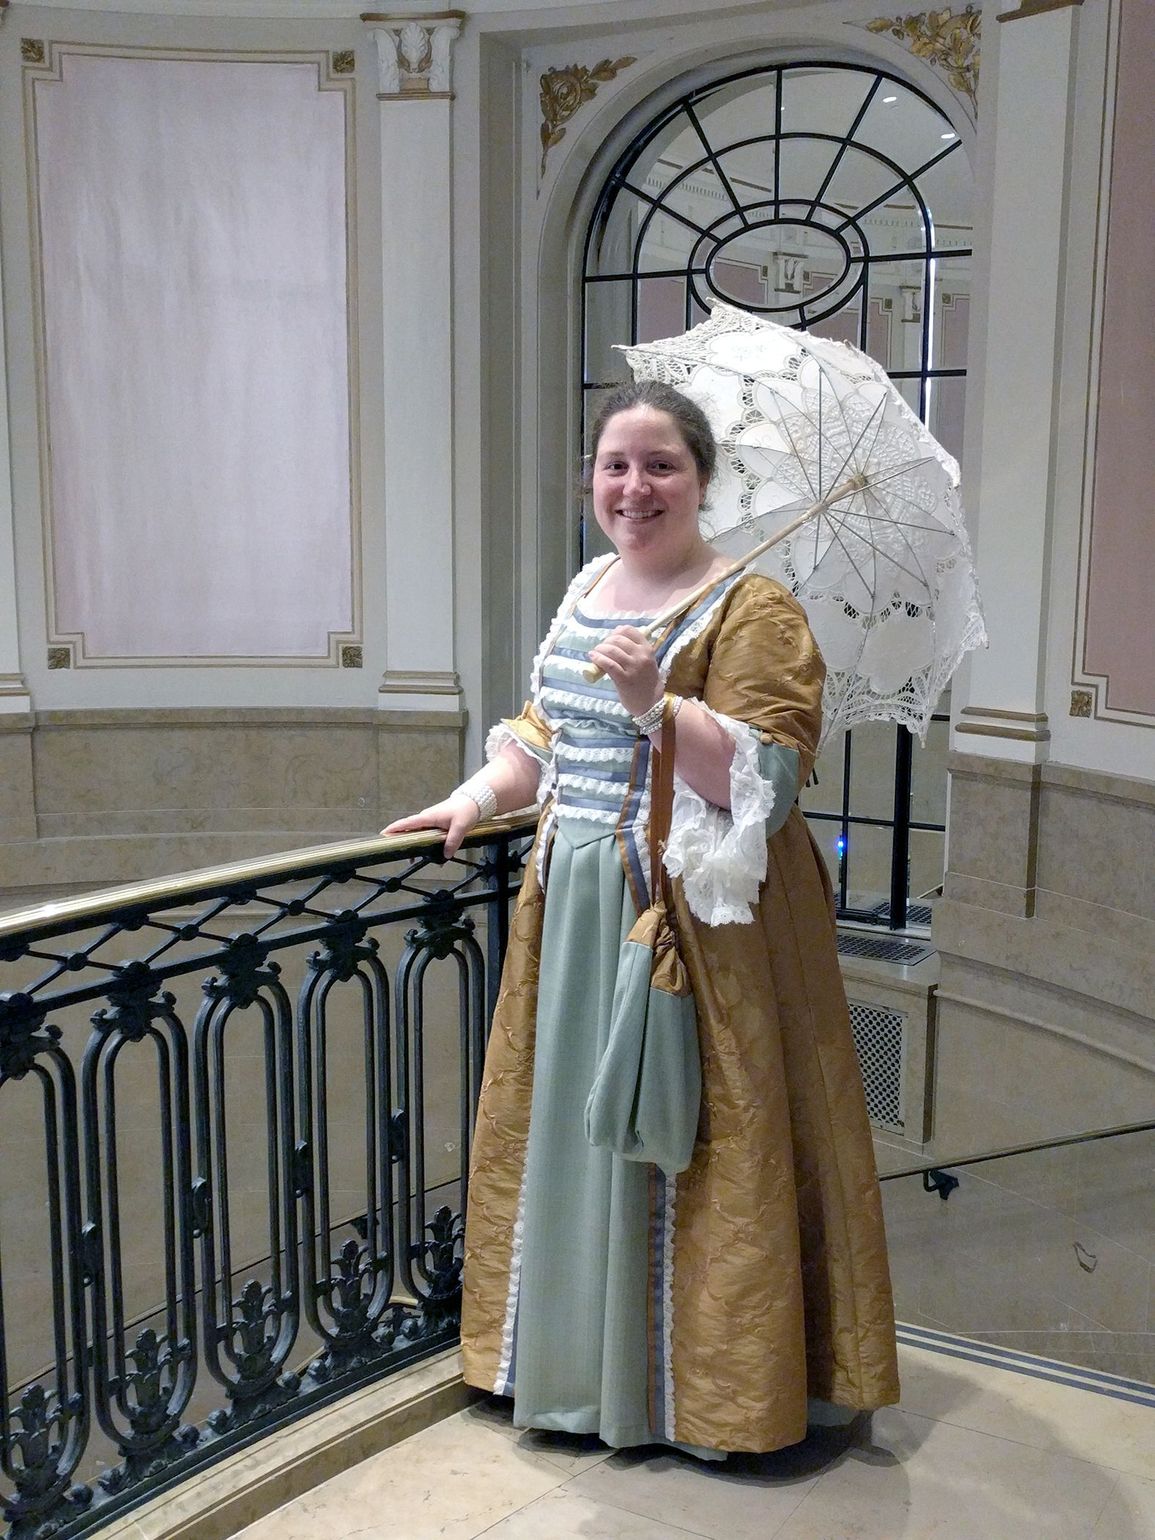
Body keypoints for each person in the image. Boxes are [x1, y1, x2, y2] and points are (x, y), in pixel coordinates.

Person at [385, 380, 899, 1455]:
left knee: (689, 1140)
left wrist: (657, 706)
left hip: (691, 928)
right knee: (574, 1126)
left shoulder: (753, 608)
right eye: (616, 464)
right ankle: (567, 1375)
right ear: (591, 480)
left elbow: (770, 778)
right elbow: (541, 735)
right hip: (567, 907)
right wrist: (474, 799)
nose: (635, 487)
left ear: (701, 480)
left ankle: (695, 1404)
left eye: (661, 464)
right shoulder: (587, 590)